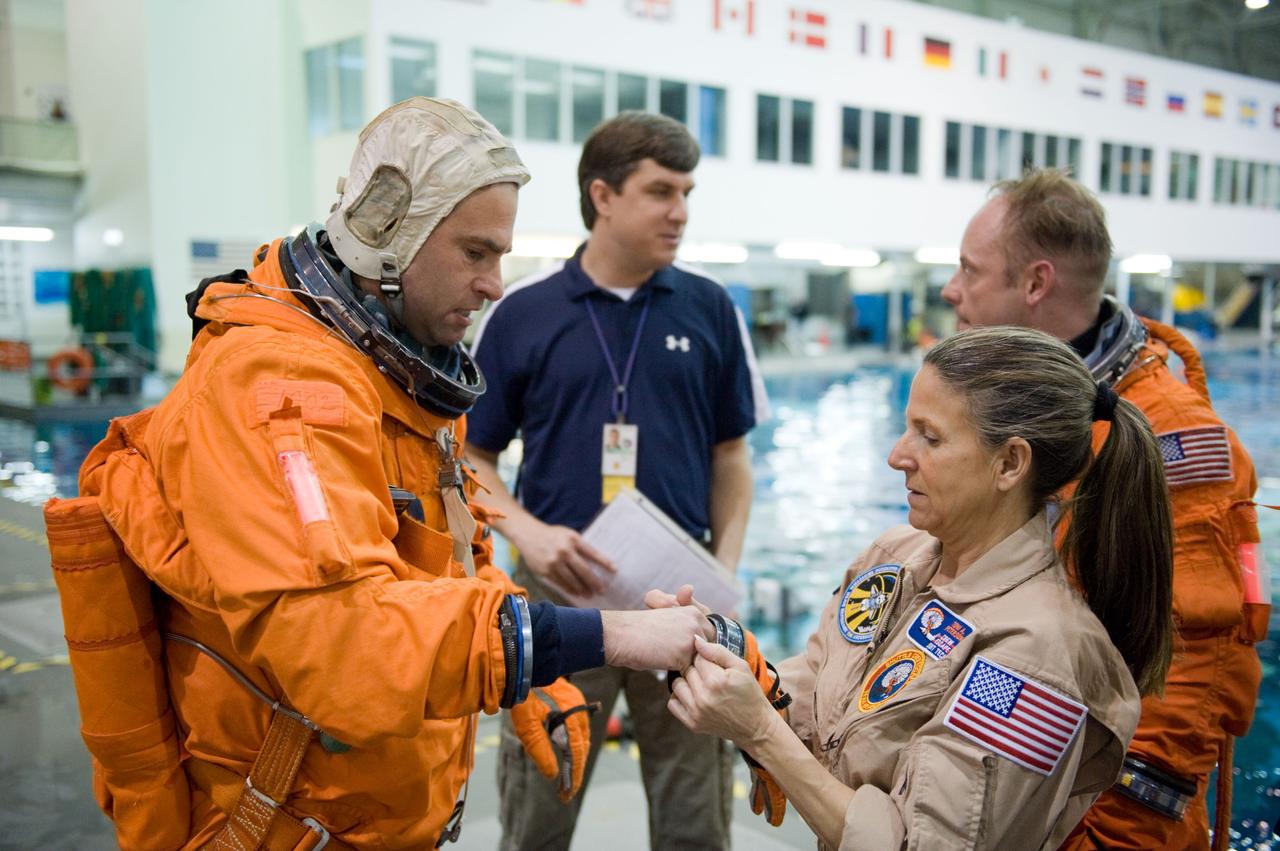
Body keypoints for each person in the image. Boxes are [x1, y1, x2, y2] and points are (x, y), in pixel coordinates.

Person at [49, 97, 716, 850]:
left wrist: (531, 665)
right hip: (284, 824)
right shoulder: (278, 392)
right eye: (475, 252)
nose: (495, 283)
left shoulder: (386, 380)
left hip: (370, 816)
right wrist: (606, 636)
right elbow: (341, 648)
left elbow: (441, 554)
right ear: (388, 234)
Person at [663, 327, 1175, 850]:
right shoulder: (894, 558)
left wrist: (759, 733)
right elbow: (816, 690)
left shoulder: (1036, 655)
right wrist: (722, 650)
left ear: (1010, 464)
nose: (897, 455)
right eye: (907, 429)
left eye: (929, 437)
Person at [467, 111, 767, 850]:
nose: (682, 212)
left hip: (683, 595)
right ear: (602, 196)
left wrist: (722, 572)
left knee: (695, 814)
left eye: (687, 191)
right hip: (561, 595)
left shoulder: (709, 310)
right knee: (538, 807)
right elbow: (470, 459)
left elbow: (732, 459)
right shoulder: (522, 315)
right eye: (661, 191)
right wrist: (529, 535)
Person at [941, 169, 1265, 850]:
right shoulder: (1013, 396)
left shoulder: (1170, 439)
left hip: (1094, 816)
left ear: (1035, 283)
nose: (950, 289)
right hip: (1014, 781)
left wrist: (1117, 833)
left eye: (970, 270)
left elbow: (1190, 663)